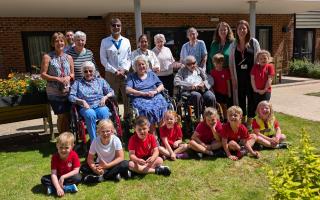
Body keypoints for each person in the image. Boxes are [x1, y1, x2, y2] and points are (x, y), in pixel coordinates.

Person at [69, 61, 114, 141]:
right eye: (85, 71)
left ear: (94, 71)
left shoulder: (100, 81)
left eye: (90, 71)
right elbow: (71, 96)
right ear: (83, 72)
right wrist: (81, 101)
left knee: (104, 112)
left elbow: (111, 91)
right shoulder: (77, 83)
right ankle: (94, 142)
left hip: (99, 105)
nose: (88, 73)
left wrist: (105, 97)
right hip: (86, 107)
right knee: (90, 114)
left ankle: (106, 139)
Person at [40, 32, 74, 134]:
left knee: (68, 115)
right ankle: (62, 137)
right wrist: (57, 79)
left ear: (65, 42)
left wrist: (69, 77)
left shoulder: (69, 57)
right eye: (56, 41)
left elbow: (73, 74)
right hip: (54, 92)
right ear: (53, 43)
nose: (59, 43)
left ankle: (68, 138)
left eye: (61, 41)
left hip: (68, 90)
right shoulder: (48, 57)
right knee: (61, 115)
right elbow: (42, 74)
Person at [229, 20, 261, 128]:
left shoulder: (254, 42)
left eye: (244, 28)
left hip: (251, 77)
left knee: (251, 99)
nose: (242, 30)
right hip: (239, 77)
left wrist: (257, 76)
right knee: (240, 99)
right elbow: (231, 62)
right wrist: (233, 77)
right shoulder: (233, 44)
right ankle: (241, 121)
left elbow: (259, 59)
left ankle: (250, 122)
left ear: (247, 30)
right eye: (239, 29)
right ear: (236, 31)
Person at [126, 55, 168, 132]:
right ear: (135, 66)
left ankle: (163, 134)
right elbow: (128, 89)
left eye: (143, 64)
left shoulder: (151, 74)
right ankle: (153, 134)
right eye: (139, 65)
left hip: (154, 95)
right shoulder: (131, 76)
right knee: (147, 110)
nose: (141, 66)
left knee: (162, 106)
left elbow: (161, 85)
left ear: (146, 65)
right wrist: (141, 93)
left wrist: (155, 91)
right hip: (140, 97)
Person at [100, 18, 131, 118]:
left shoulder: (126, 41)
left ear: (121, 27)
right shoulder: (104, 41)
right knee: (113, 97)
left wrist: (124, 69)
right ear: (110, 27)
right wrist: (115, 71)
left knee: (127, 97)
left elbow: (129, 58)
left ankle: (128, 118)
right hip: (111, 74)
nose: (116, 27)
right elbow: (103, 60)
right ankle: (115, 118)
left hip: (125, 73)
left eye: (118, 25)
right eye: (114, 25)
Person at [41, 132, 81, 196]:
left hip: (68, 177)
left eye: (66, 147)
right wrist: (58, 188)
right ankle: (66, 188)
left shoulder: (74, 155)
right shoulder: (55, 157)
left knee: (78, 177)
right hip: (57, 177)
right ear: (57, 146)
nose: (63, 150)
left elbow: (76, 170)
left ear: (72, 146)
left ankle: (53, 188)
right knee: (44, 179)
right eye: (61, 147)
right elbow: (54, 174)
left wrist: (63, 177)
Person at [210, 53, 231, 120]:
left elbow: (228, 82)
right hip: (216, 92)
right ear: (214, 63)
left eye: (220, 63)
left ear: (223, 63)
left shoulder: (225, 72)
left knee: (224, 106)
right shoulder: (212, 72)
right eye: (217, 63)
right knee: (218, 106)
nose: (219, 65)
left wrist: (229, 92)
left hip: (224, 92)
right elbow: (211, 83)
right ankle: (218, 119)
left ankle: (225, 119)